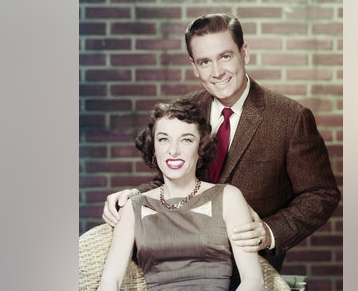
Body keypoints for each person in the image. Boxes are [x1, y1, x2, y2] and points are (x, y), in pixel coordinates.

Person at [103, 12, 341, 286]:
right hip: (184, 260)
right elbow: (174, 178)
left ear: (244, 52)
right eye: (205, 62)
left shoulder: (290, 118)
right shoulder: (187, 111)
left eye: (225, 57)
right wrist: (136, 195)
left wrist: (269, 231)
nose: (217, 72)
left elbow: (321, 194)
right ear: (194, 66)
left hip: (248, 265)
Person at [98, 99, 264, 291]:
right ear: (153, 147)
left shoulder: (228, 197)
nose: (173, 150)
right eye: (163, 139)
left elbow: (253, 280)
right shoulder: (132, 207)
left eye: (186, 140)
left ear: (200, 148)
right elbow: (110, 281)